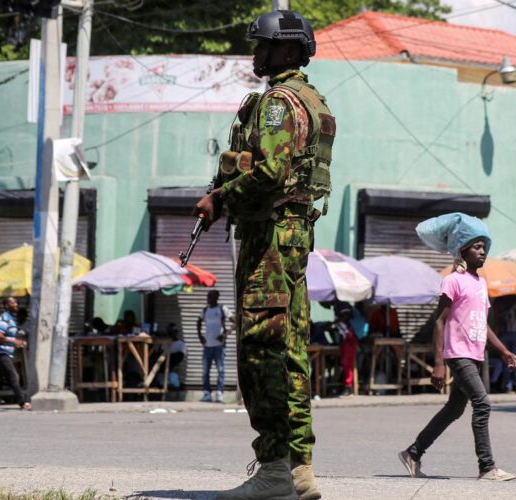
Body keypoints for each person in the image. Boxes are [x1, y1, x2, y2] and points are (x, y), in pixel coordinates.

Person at [193, 9, 334, 500]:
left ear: (290, 51)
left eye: (265, 47)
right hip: (292, 235)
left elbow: (271, 170)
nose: (256, 54)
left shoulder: (278, 102)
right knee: (291, 350)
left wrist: (220, 198)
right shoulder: (312, 100)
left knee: (261, 352)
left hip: (269, 236)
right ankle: (298, 471)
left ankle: (275, 469)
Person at [399, 213, 516, 482]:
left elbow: (483, 324)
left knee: (454, 409)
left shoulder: (480, 283)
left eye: (484, 246)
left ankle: (413, 453)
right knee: (482, 404)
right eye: (476, 246)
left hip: (475, 354)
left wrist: (504, 351)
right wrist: (439, 363)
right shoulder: (453, 280)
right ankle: (486, 467)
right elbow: (439, 322)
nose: (482, 251)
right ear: (462, 250)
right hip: (458, 354)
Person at [197, 290, 231, 403]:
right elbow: (198, 321)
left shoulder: (222, 309)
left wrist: (225, 334)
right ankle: (207, 394)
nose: (208, 298)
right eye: (208, 296)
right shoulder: (205, 310)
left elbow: (235, 321)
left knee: (220, 370)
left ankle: (219, 394)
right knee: (205, 371)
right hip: (207, 346)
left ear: (216, 297)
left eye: (211, 296)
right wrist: (200, 336)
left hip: (219, 346)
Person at [490, 296, 516, 394]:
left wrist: (494, 337)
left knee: (506, 360)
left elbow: (496, 320)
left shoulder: (497, 301)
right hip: (515, 332)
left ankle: (508, 386)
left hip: (503, 333)